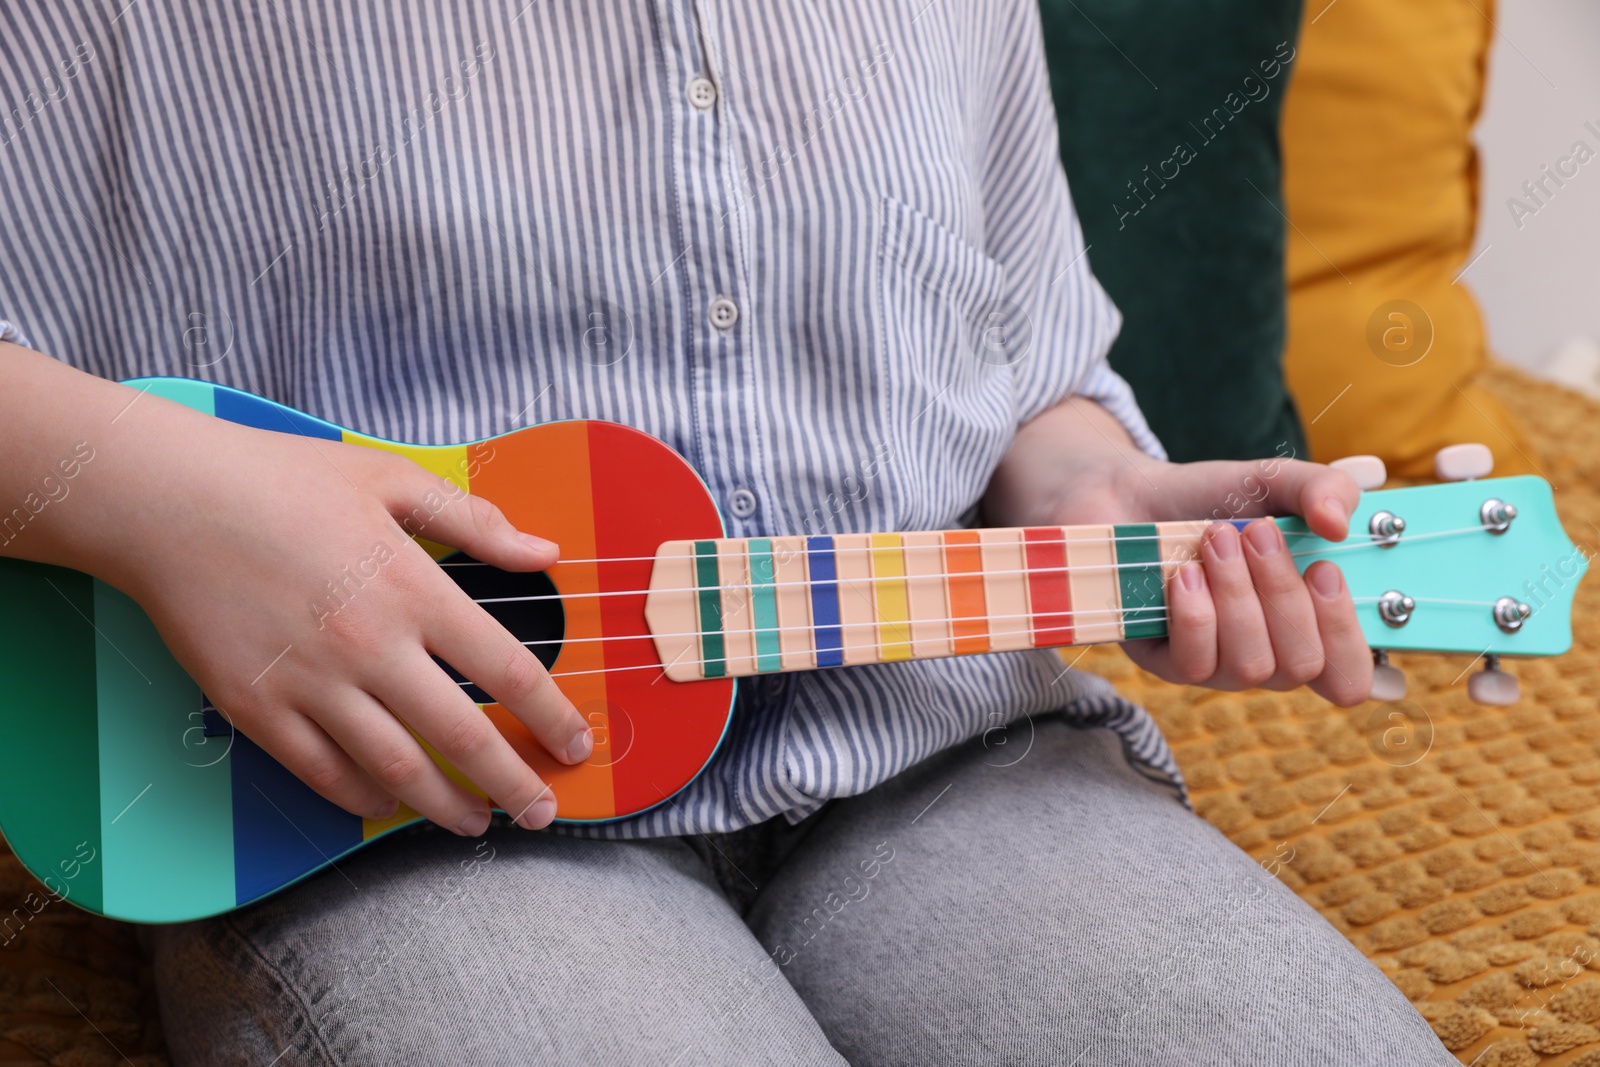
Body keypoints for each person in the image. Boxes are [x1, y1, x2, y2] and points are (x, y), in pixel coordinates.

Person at [0, 2, 1454, 1064]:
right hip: (397, 810)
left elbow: (1015, 358)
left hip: (936, 739)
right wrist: (163, 496)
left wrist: (1098, 497)